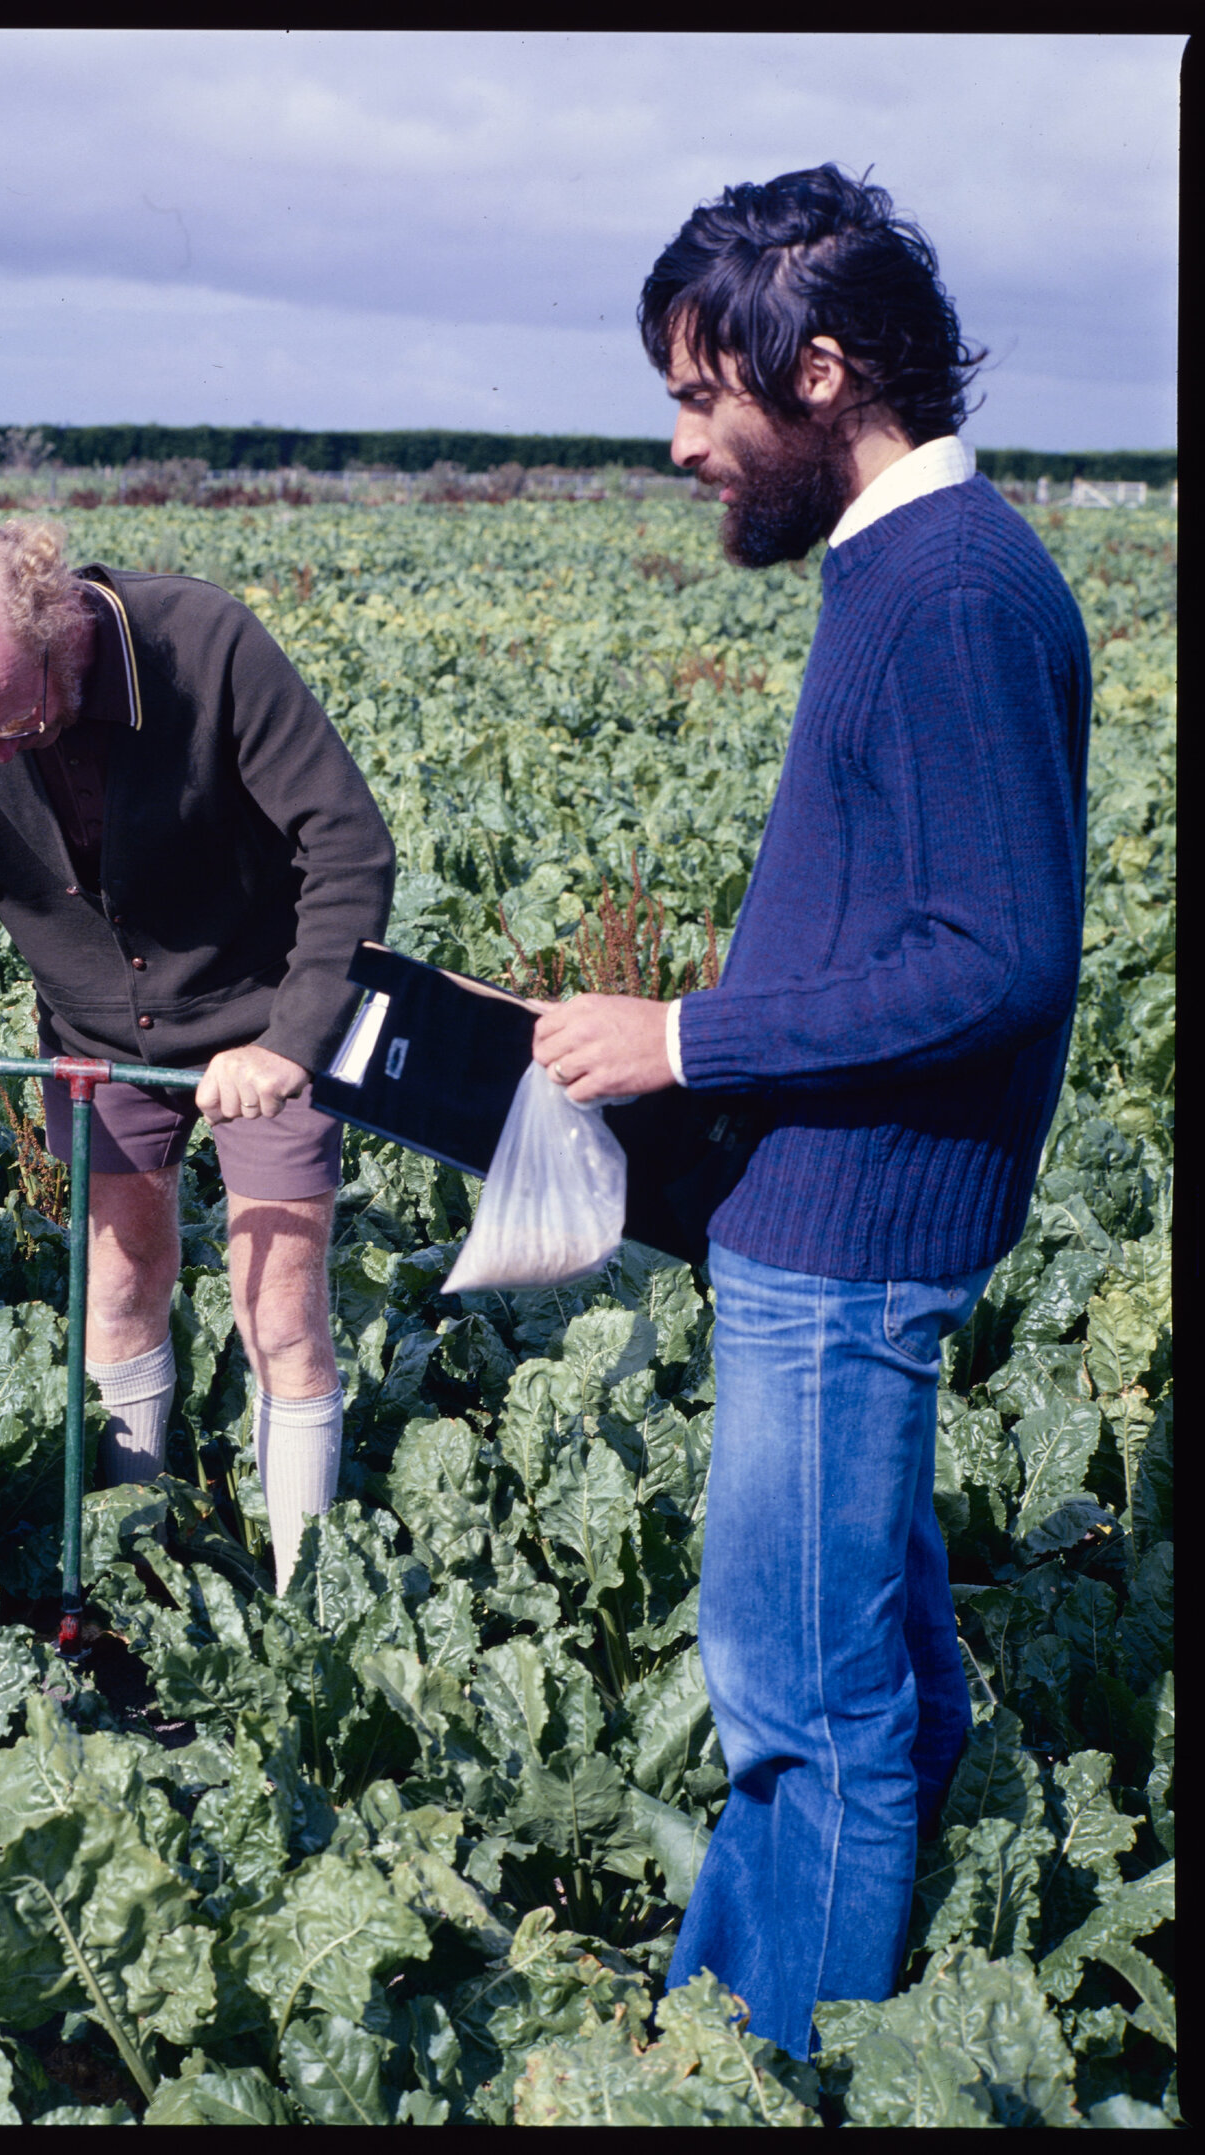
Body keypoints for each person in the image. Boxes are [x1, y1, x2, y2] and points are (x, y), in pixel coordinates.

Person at [531, 166, 1090, 2057]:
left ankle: (765, 2075)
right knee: (872, 1684)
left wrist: (686, 1042)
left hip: (853, 1243)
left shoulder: (948, 590)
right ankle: (730, 2019)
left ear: (823, 370)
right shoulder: (913, 569)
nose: (686, 442)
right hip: (821, 1217)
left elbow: (993, 959)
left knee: (805, 1704)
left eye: (706, 395)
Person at [0, 519, 395, 1589]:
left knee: (278, 1299)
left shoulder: (206, 644)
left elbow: (347, 845)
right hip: (96, 1029)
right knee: (118, 1280)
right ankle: (133, 1570)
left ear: (60, 628)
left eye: (12, 716)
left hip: (258, 1010)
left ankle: (305, 1597)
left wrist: (291, 1041)